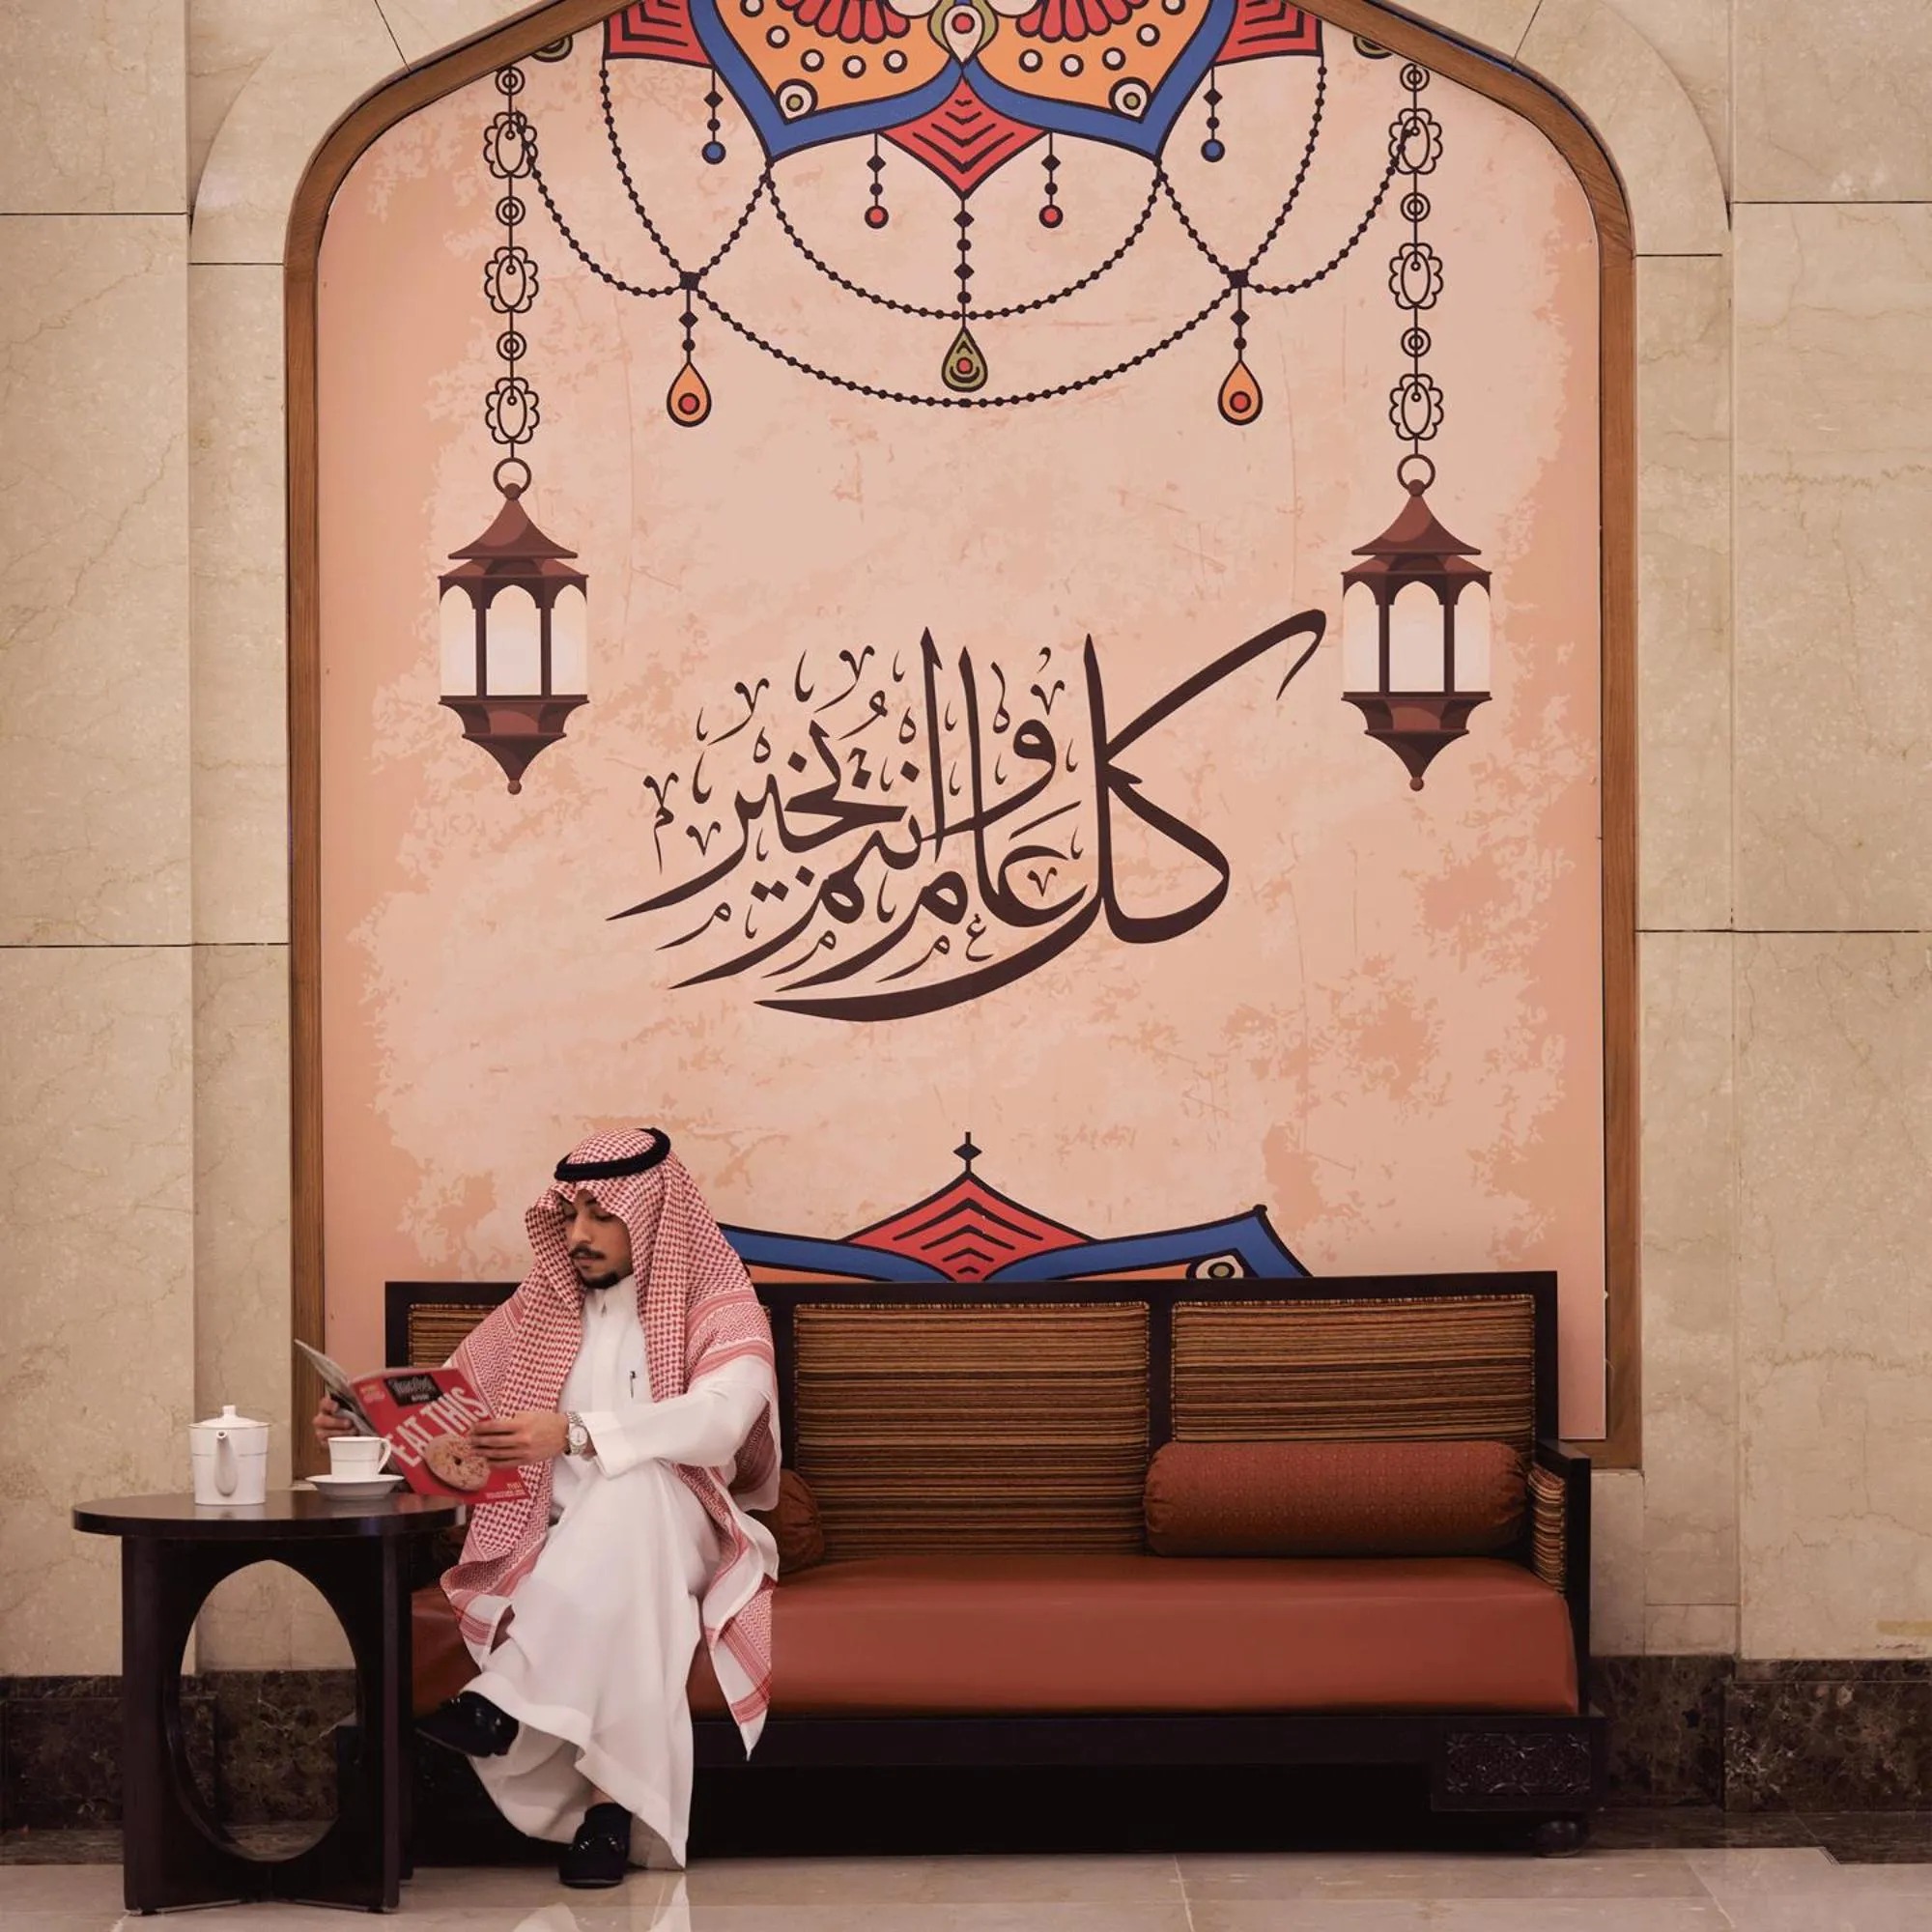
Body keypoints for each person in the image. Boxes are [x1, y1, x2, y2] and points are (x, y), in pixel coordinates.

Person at [314, 1127, 780, 1886]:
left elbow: (722, 1421)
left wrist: (576, 1433)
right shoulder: (538, 1312)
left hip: (689, 1525)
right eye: (569, 1215)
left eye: (602, 1214)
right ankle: (606, 1815)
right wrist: (362, 1424)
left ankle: (504, 1699)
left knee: (635, 1484)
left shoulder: (722, 1307)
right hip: (561, 1541)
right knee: (638, 1593)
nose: (579, 1235)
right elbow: (448, 1416)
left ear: (654, 1215)